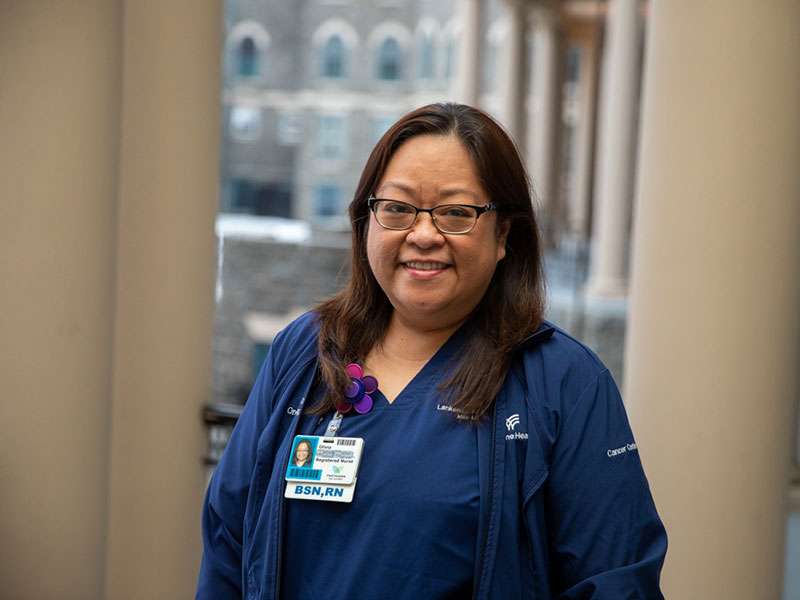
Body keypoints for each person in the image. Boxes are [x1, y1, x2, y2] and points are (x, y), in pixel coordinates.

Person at [196, 103, 667, 599]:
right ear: (367, 221)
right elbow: (229, 538)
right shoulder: (304, 352)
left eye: (456, 213)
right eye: (398, 209)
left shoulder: (565, 383)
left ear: (503, 233)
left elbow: (616, 582)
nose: (423, 235)